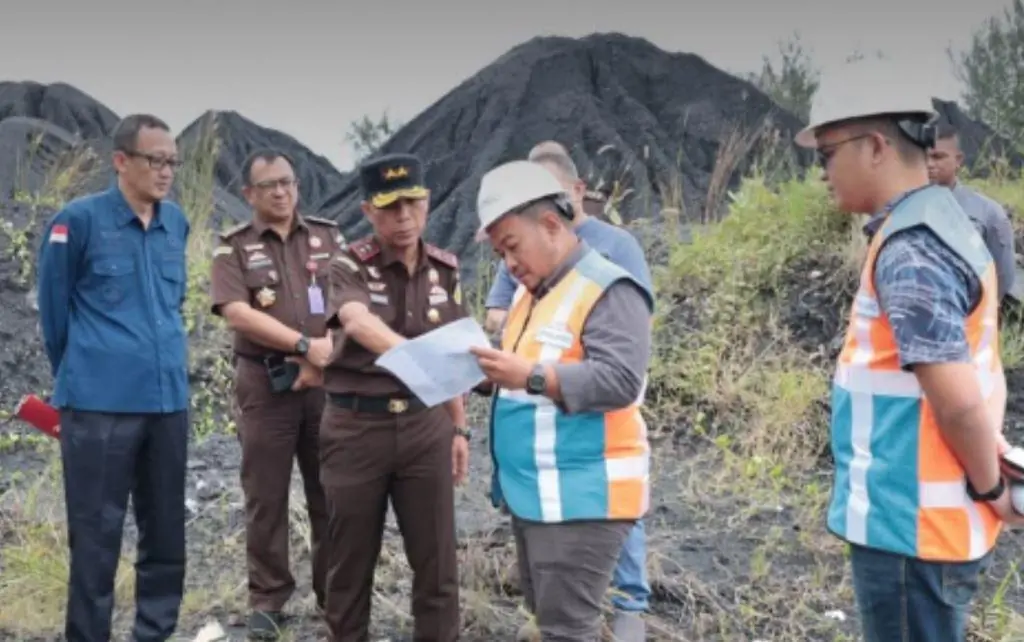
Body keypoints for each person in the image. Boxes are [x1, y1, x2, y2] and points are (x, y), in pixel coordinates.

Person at [795, 57, 1024, 642]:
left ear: (875, 147)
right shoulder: (943, 224)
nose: (822, 172)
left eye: (826, 155)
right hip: (922, 526)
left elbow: (958, 401)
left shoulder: (912, 249)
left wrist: (992, 488)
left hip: (912, 532)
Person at [470, 159, 654, 642]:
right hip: (538, 494)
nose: (508, 264)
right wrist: (487, 375)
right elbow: (529, 368)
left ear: (551, 225)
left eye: (513, 247)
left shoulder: (609, 288)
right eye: (500, 253)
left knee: (567, 630)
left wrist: (529, 376)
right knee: (552, 621)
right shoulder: (531, 293)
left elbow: (620, 380)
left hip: (582, 497)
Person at [36, 113, 191, 642]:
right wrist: (84, 378)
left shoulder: (176, 224)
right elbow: (54, 316)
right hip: (100, 406)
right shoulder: (77, 222)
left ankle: (154, 632)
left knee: (166, 532)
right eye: (156, 160)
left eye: (172, 162)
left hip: (167, 403)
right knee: (96, 538)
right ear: (121, 161)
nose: (166, 171)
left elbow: (173, 305)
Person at [318, 152, 471, 641]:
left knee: (438, 563)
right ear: (368, 211)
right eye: (389, 207)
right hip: (356, 429)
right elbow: (357, 322)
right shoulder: (348, 265)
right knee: (349, 562)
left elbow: (454, 352)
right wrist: (416, 358)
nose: (403, 217)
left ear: (427, 202)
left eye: (412, 203)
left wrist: (459, 427)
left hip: (426, 428)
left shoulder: (444, 269)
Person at [209, 149, 340, 638]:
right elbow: (237, 313)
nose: (281, 192)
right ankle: (268, 599)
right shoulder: (234, 248)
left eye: (287, 182)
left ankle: (335, 593)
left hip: (324, 385)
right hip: (265, 384)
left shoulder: (328, 238)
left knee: (332, 489)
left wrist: (324, 355)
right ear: (250, 194)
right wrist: (303, 346)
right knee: (266, 494)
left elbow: (351, 302)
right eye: (269, 186)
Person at [927, 122, 1017, 300]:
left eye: (938, 157)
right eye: (924, 157)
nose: (929, 164)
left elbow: (1003, 277)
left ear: (958, 160)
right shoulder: (902, 207)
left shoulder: (987, 213)